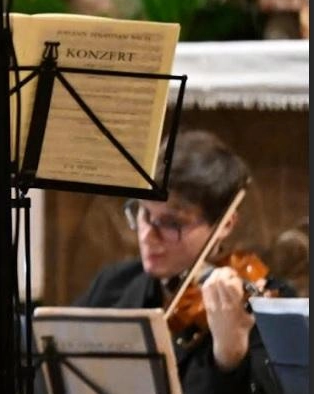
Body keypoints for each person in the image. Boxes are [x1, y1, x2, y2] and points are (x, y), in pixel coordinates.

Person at [74, 129, 293, 394]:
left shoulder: (268, 305)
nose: (147, 235)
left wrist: (229, 355)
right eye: (143, 212)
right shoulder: (113, 285)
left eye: (171, 223)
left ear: (225, 224)